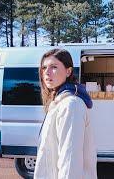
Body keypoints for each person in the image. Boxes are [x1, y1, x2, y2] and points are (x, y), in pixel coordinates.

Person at [34, 49, 97, 179]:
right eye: (44, 67)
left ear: (68, 71)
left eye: (54, 67)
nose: (47, 72)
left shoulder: (71, 105)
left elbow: (70, 161)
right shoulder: (59, 102)